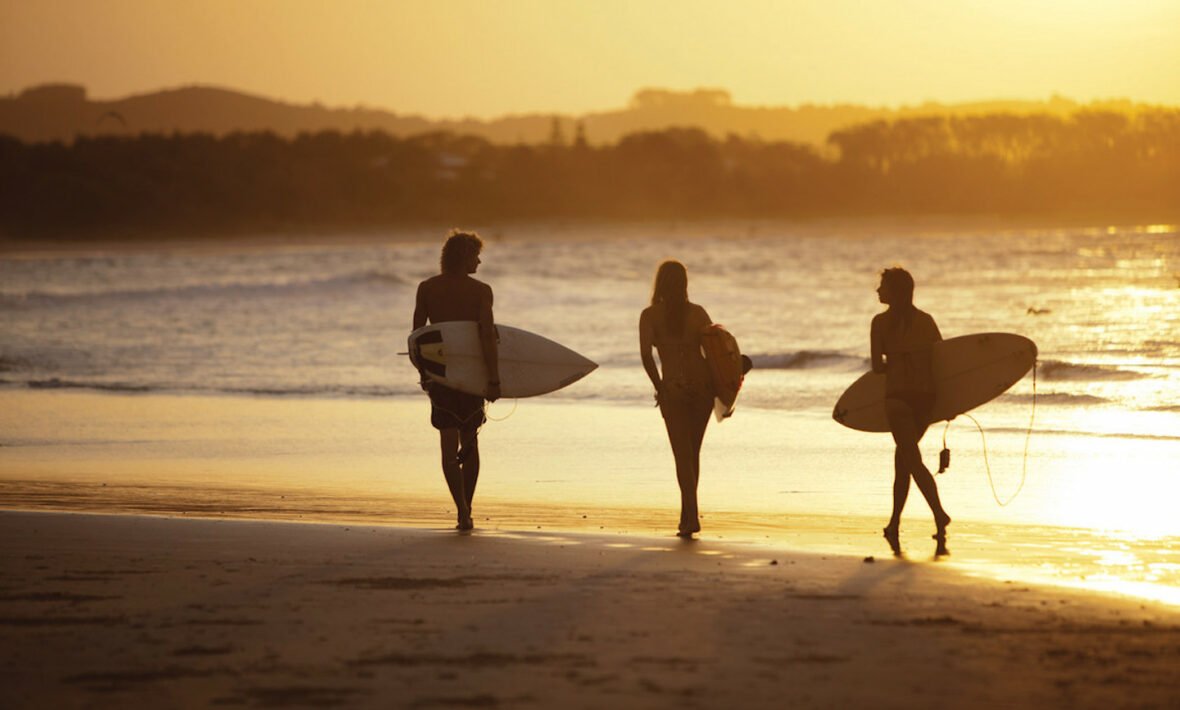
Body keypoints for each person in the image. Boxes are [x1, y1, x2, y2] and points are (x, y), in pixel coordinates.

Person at [412, 230, 501, 531]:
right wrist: (493, 379)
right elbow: (487, 336)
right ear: (464, 257)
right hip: (471, 375)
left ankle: (461, 508)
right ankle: (468, 507)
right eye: (476, 254)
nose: (480, 260)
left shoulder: (426, 288)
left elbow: (417, 338)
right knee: (471, 442)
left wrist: (424, 374)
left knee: (448, 446)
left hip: (441, 374)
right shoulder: (481, 291)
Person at [870, 267, 951, 556]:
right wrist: (952, 403)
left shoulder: (879, 323)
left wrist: (898, 363)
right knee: (902, 460)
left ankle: (940, 514)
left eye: (883, 286)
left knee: (911, 460)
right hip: (925, 400)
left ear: (896, 291)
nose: (878, 291)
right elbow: (942, 361)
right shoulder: (926, 320)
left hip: (899, 400)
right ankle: (893, 523)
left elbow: (877, 368)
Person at [639, 260, 714, 537]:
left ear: (659, 282)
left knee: (682, 455)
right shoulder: (698, 313)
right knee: (692, 454)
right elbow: (715, 350)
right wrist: (721, 389)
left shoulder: (649, 316)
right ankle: (687, 516)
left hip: (674, 389)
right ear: (684, 283)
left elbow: (647, 355)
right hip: (703, 390)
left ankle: (691, 518)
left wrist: (659, 386)